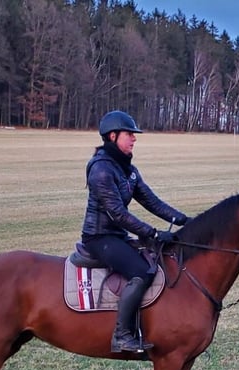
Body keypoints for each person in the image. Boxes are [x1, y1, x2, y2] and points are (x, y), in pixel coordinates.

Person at [81, 110, 189, 353]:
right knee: (142, 272)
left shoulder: (128, 169)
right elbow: (118, 214)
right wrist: (152, 234)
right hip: (99, 238)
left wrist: (185, 220)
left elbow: (152, 201)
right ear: (112, 136)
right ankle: (122, 336)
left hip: (117, 235)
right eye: (129, 134)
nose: (134, 138)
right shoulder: (102, 170)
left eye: (134, 135)